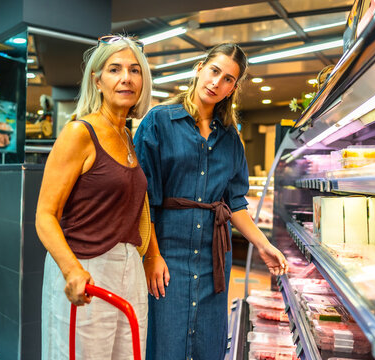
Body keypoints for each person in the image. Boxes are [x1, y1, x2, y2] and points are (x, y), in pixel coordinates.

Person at [134, 43, 289, 360]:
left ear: (234, 87)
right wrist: (151, 256)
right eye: (214, 71)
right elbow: (143, 197)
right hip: (167, 256)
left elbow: (236, 204)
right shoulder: (159, 122)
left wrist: (263, 244)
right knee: (165, 345)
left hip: (214, 260)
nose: (217, 83)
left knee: (208, 346)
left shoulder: (230, 136)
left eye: (228, 79)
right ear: (200, 67)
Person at [35, 35, 152, 360]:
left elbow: (136, 208)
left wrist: (152, 256)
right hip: (86, 265)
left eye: (134, 70)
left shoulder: (128, 136)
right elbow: (45, 215)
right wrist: (72, 270)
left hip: (130, 269)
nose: (126, 78)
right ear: (97, 80)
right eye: (114, 69)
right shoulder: (79, 133)